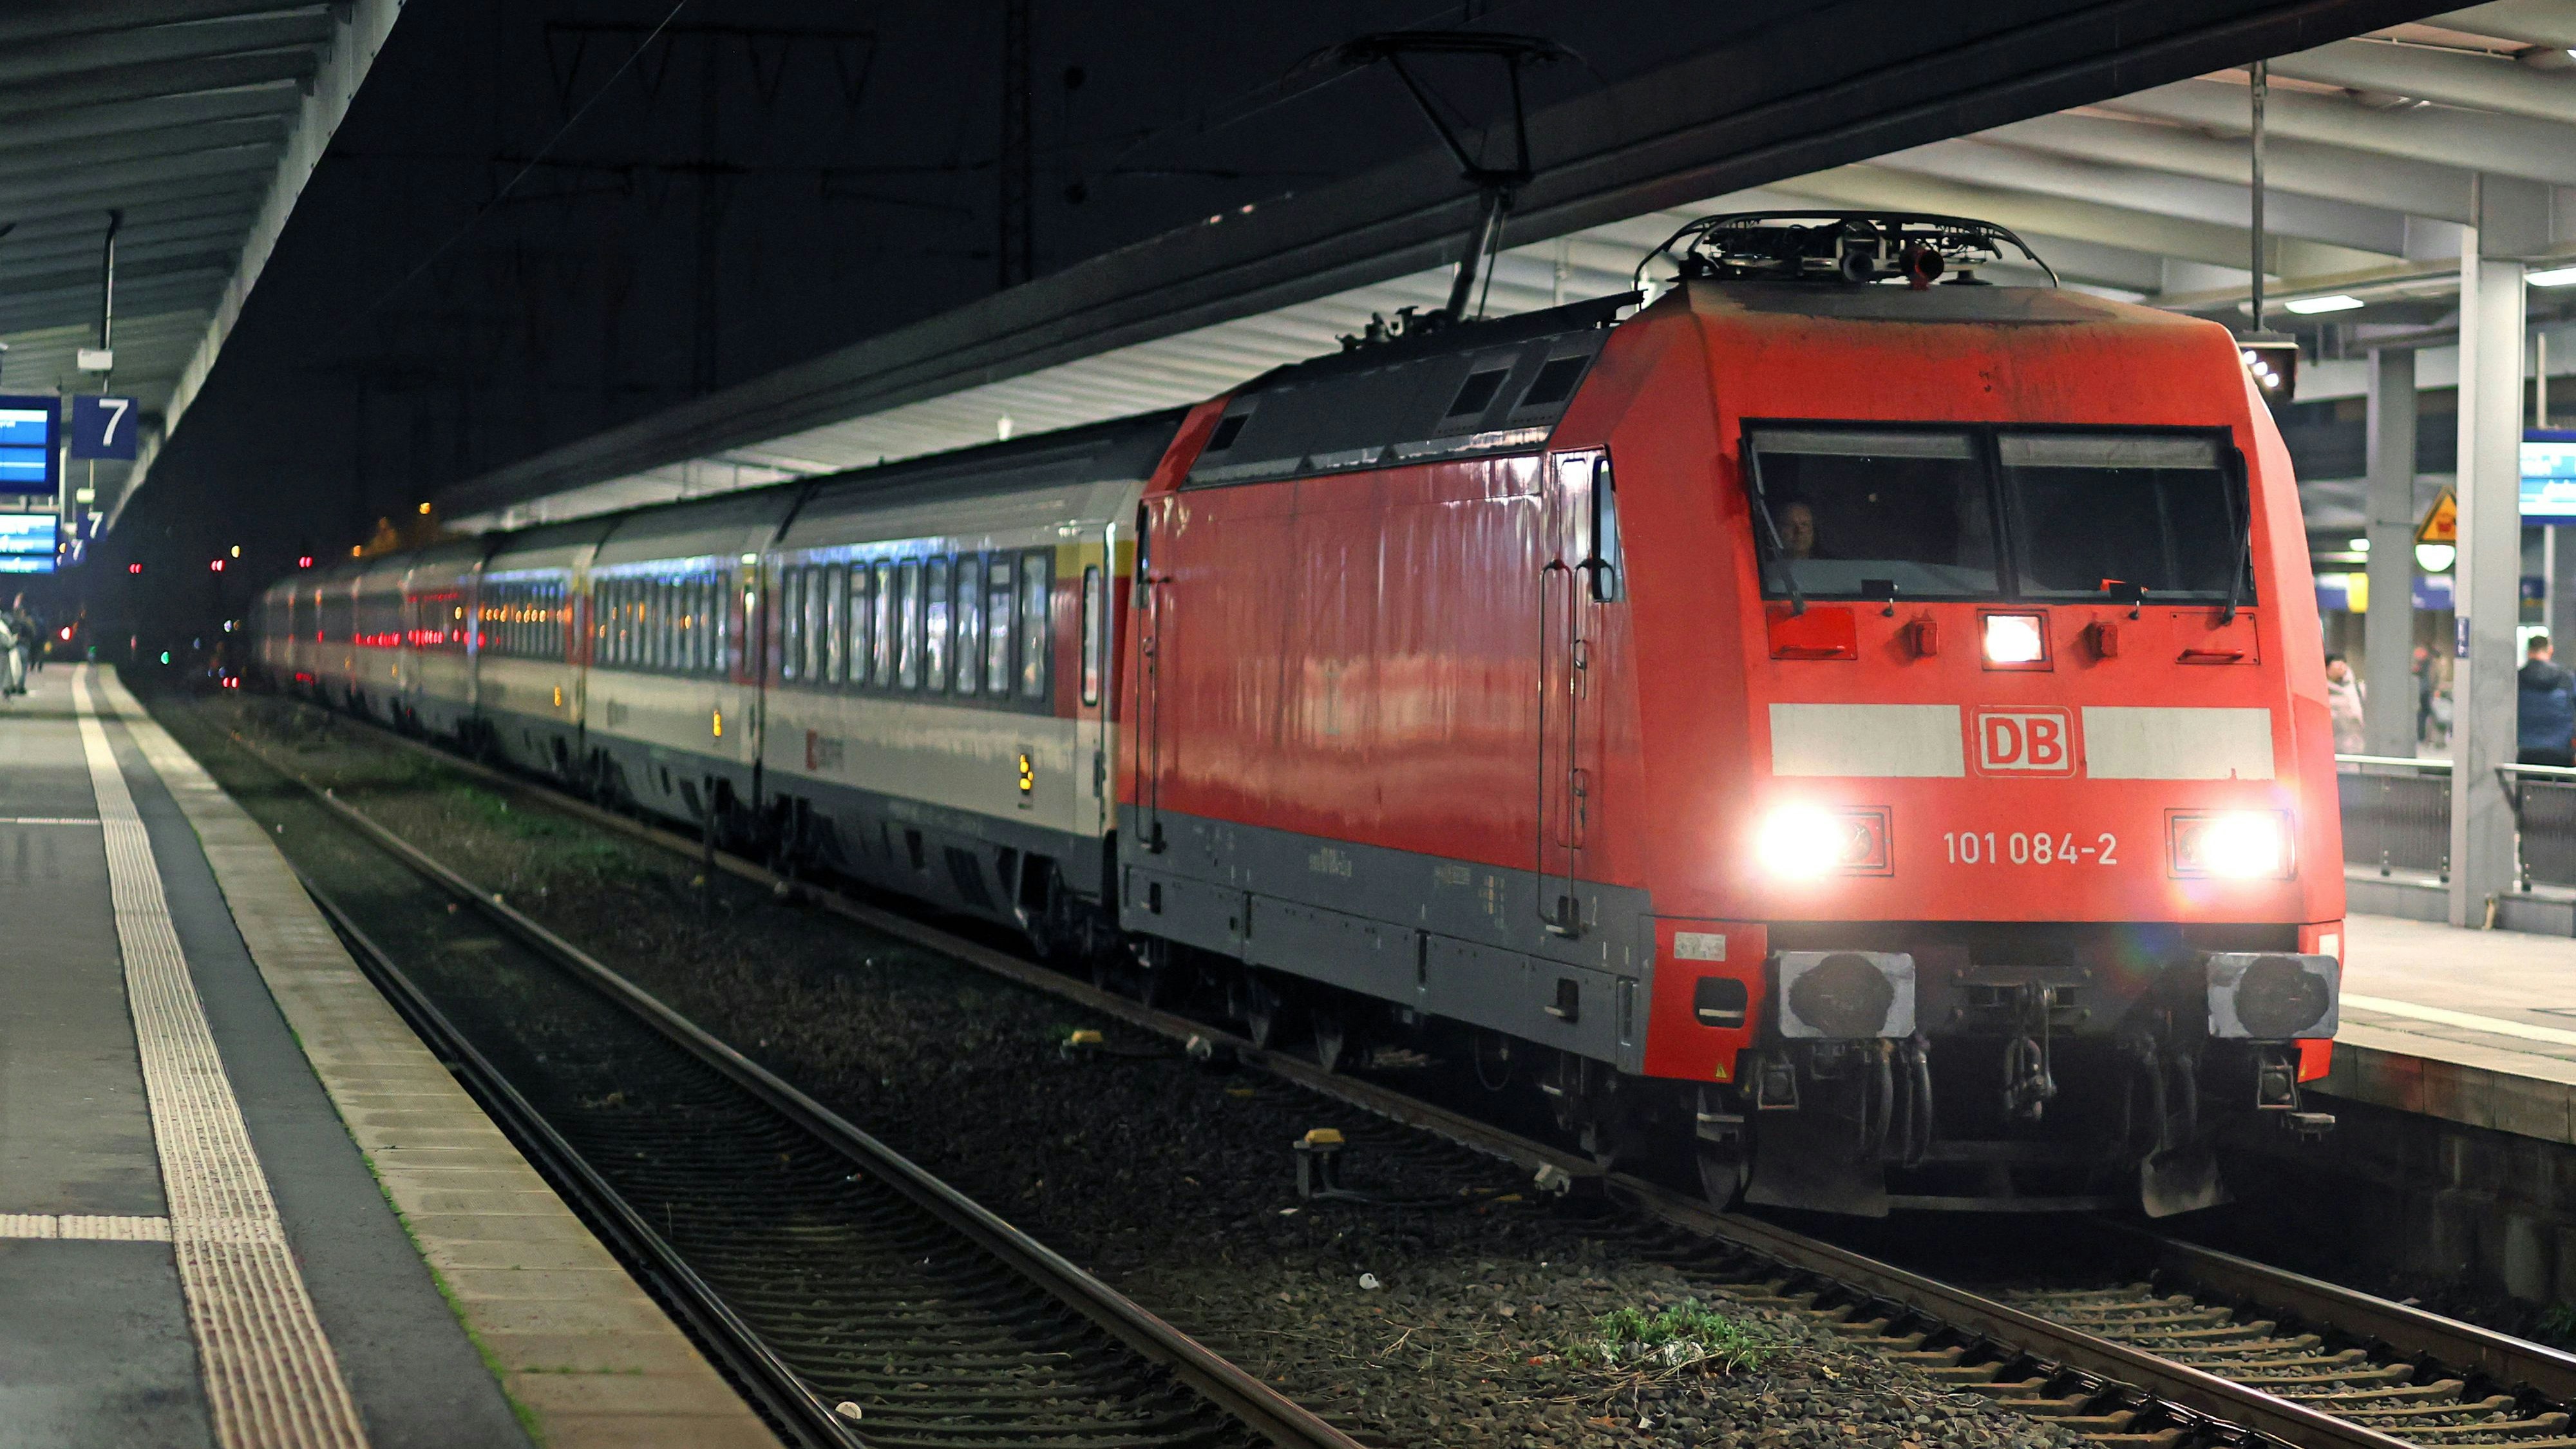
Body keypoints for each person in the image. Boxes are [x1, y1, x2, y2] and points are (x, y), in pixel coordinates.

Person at [2518, 634, 2576, 768]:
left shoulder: (2518, 678)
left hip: (2525, 751)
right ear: (2550, 650)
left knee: (2526, 788)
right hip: (2560, 750)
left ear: (2529, 652)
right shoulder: (2567, 678)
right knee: (2557, 789)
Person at [2324, 653, 2366, 756]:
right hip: (2332, 750)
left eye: (2343, 666)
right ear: (2327, 669)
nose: (2342, 669)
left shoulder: (2357, 689)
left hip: (2359, 749)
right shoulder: (2322, 691)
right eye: (2337, 666)